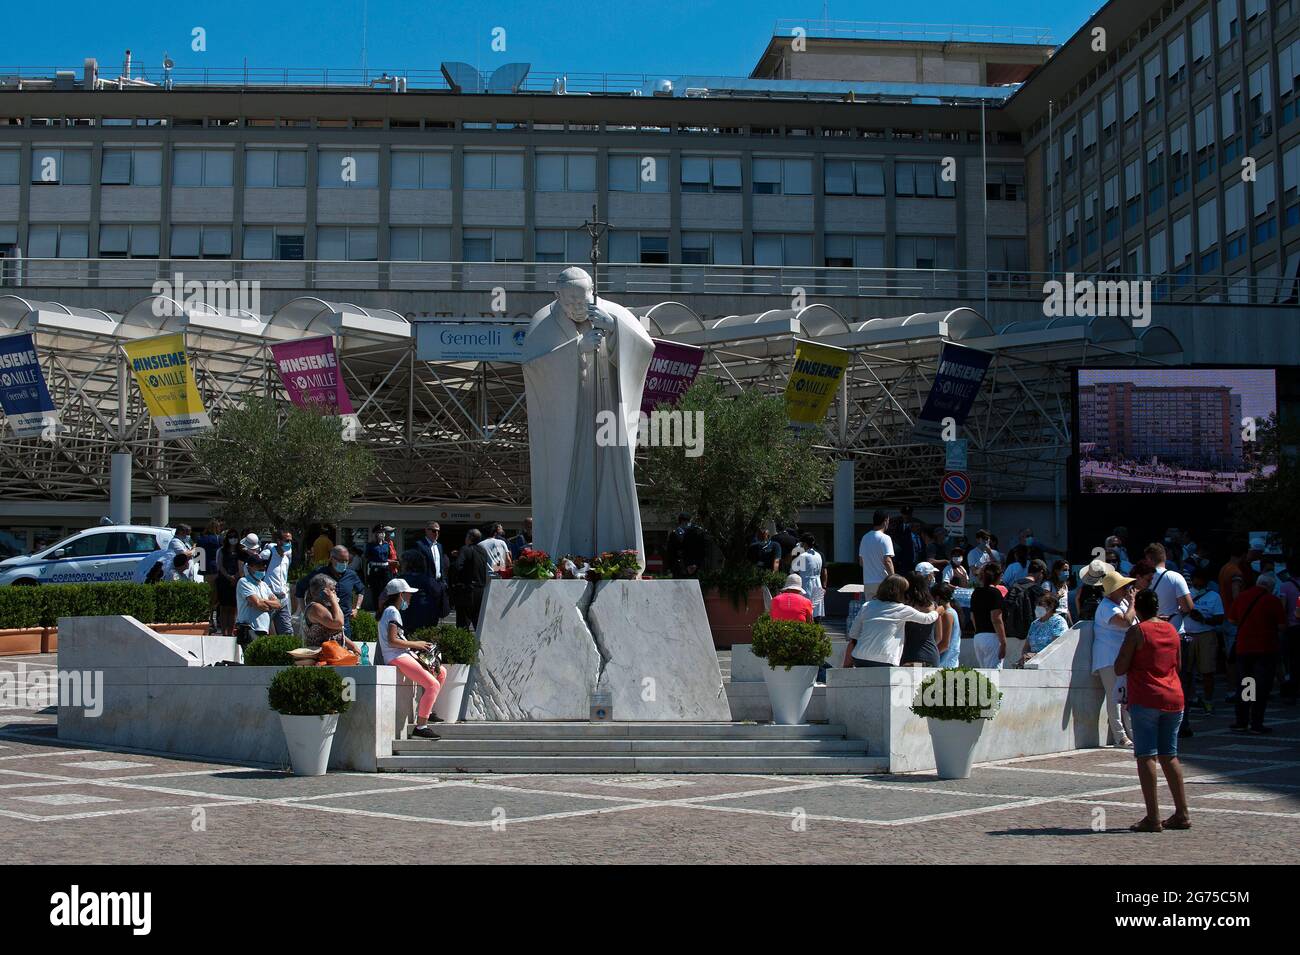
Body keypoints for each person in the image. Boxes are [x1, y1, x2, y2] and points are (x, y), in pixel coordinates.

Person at [1114, 589, 1191, 832]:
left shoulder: (1137, 631)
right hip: (1173, 696)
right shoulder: (1172, 630)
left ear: (1139, 608)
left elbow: (1119, 667)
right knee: (1170, 755)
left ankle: (1153, 817)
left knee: (1146, 755)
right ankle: (1182, 813)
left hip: (1146, 697)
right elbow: (1177, 664)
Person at [376, 578, 445, 740]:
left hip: (401, 654)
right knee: (433, 684)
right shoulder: (392, 611)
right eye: (408, 594)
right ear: (401, 595)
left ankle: (427, 711)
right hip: (396, 656)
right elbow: (393, 641)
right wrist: (418, 644)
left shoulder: (389, 610)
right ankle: (421, 727)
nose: (410, 598)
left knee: (440, 671)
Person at [1227, 570, 1285, 734]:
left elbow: (1231, 620)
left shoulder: (1242, 597)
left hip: (1244, 648)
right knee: (1262, 686)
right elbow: (1282, 626)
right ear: (1270, 586)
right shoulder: (1272, 600)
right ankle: (1256, 722)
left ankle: (1242, 721)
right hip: (1265, 649)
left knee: (1246, 684)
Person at [842, 575, 939, 667]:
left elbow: (853, 634)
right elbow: (927, 619)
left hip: (860, 657)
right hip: (886, 659)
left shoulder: (867, 606)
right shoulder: (902, 609)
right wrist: (937, 610)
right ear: (901, 593)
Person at [1093, 568, 1138, 748]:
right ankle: (1120, 736)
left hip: (1122, 658)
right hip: (1109, 658)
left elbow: (1134, 623)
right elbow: (1125, 622)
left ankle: (1132, 733)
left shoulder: (1122, 605)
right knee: (1115, 698)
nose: (1127, 590)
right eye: (1123, 587)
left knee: (1125, 698)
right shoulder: (1106, 607)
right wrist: (1133, 602)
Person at [293, 545, 366, 641]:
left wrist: (357, 608)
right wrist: (304, 610)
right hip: (324, 622)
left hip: (344, 622)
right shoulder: (319, 574)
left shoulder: (351, 575)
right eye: (341, 561)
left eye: (347, 561)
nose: (344, 563)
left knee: (345, 650)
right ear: (332, 559)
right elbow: (300, 588)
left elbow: (361, 590)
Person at [1184, 565, 1224, 714]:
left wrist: (1204, 619)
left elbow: (1220, 618)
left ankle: (1208, 700)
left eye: (1202, 580)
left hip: (1206, 634)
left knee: (1207, 671)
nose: (1199, 582)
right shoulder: (1186, 594)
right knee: (1186, 671)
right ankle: (1189, 698)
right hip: (1187, 635)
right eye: (1196, 579)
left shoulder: (1214, 596)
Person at [301, 572, 362, 656]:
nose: (335, 593)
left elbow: (336, 632)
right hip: (320, 658)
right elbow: (338, 623)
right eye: (332, 590)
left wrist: (353, 646)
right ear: (322, 592)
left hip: (333, 655)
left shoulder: (325, 607)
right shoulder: (315, 608)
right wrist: (333, 600)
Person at [234, 552, 280, 649]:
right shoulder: (244, 582)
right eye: (258, 565)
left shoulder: (263, 584)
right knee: (251, 661)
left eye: (263, 564)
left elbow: (278, 604)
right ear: (250, 567)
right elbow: (259, 605)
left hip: (263, 629)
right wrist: (263, 603)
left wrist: (262, 601)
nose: (262, 567)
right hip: (249, 629)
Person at [970, 562, 1007, 669]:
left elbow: (972, 617)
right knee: (994, 675)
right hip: (992, 637)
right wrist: (1003, 643)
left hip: (978, 637)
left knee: (984, 674)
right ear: (998, 577)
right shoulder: (995, 593)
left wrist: (981, 631)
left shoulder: (976, 592)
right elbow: (996, 619)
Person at [452, 528, 490, 630]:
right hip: (480, 590)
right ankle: (479, 645)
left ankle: (464, 645)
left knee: (463, 623)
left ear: (470, 538)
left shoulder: (465, 549)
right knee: (478, 622)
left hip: (467, 590)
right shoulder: (483, 551)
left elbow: (457, 566)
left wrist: (456, 582)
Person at [899, 572, 940, 666]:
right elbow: (939, 636)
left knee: (907, 680)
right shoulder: (933, 606)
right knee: (928, 681)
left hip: (909, 654)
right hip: (931, 654)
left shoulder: (904, 607)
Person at [259, 530, 294, 636]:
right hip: (269, 598)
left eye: (291, 541)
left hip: (283, 599)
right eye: (287, 540)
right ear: (278, 541)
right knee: (264, 631)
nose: (289, 543)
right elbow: (249, 567)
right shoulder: (267, 554)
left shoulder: (287, 557)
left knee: (287, 632)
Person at [415, 521, 450, 623]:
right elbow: (419, 566)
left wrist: (444, 581)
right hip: (426, 583)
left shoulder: (439, 546)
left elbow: (441, 565)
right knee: (426, 611)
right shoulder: (420, 545)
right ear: (426, 530)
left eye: (438, 531)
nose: (436, 534)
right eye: (434, 531)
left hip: (438, 582)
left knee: (437, 611)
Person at [398, 549, 439, 633]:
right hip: (427, 623)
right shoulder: (429, 580)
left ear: (407, 564)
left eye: (402, 563)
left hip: (404, 622)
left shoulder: (399, 581)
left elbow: (384, 598)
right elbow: (439, 596)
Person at [1023, 591, 1068, 664]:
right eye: (1037, 604)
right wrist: (1024, 656)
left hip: (1049, 663)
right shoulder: (1035, 624)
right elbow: (1026, 647)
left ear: (1051, 606)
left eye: (1041, 605)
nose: (1037, 607)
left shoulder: (1059, 622)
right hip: (1031, 662)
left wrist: (1036, 656)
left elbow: (1056, 646)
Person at [790, 532, 826, 622]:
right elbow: (823, 571)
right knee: (817, 609)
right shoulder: (819, 555)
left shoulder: (803, 556)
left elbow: (793, 571)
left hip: (806, 584)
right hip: (818, 583)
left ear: (804, 544)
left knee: (806, 609)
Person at [858, 509, 895, 593]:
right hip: (883, 582)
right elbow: (887, 561)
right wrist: (893, 579)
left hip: (867, 582)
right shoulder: (885, 538)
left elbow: (861, 562)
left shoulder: (865, 537)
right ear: (885, 521)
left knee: (870, 606)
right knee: (884, 606)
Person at [215, 530, 243, 635]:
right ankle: (224, 632)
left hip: (236, 581)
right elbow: (220, 565)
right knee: (223, 607)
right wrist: (228, 576)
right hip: (224, 580)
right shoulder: (221, 550)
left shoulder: (241, 551)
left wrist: (235, 577)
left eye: (235, 537)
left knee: (233, 608)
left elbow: (242, 565)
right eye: (231, 537)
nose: (233, 539)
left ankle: (230, 631)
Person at [666, 513, 706, 579]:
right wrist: (670, 568)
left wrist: (696, 564)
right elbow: (671, 553)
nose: (689, 524)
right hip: (680, 567)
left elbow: (701, 550)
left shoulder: (696, 533)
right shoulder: (675, 534)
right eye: (688, 522)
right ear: (682, 522)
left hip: (694, 567)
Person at [365, 524, 395, 609]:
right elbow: (367, 557)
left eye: (383, 532)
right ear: (375, 534)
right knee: (376, 590)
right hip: (375, 569)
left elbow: (388, 556)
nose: (382, 534)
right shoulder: (371, 545)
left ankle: (385, 608)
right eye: (379, 532)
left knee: (386, 590)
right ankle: (377, 609)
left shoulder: (386, 545)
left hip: (385, 569)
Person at [933, 582, 961, 668]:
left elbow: (945, 644)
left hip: (945, 664)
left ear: (937, 598)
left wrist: (930, 656)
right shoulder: (952, 612)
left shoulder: (947, 614)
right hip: (949, 663)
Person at [889, 506, 923, 574]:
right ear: (902, 514)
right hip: (900, 559)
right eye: (905, 514)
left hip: (913, 557)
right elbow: (893, 537)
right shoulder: (895, 523)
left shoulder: (917, 523)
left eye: (908, 514)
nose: (906, 516)